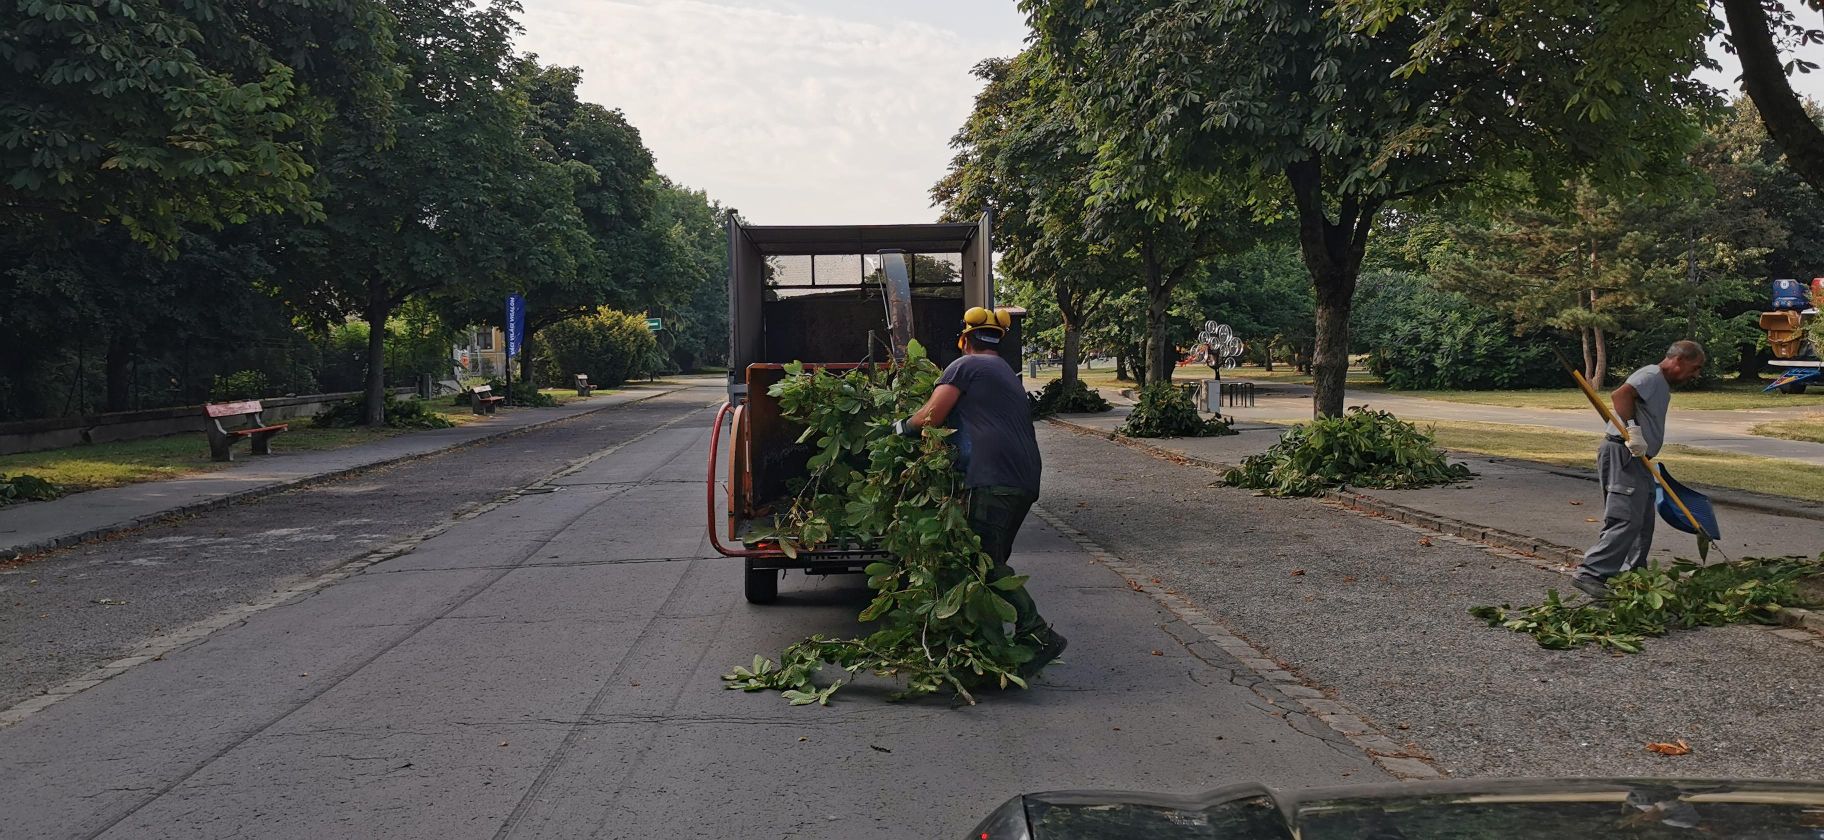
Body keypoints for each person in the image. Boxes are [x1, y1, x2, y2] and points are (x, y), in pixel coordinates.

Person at [894, 306, 1067, 674]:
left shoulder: (964, 366)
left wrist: (898, 429)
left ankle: (1037, 634)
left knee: (980, 565)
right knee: (992, 560)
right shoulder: (1004, 371)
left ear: (965, 339)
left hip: (991, 479)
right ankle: (991, 643)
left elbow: (930, 417)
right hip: (1023, 479)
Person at [1572, 340, 1707, 598]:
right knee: (1625, 517)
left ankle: (1632, 574)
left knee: (1643, 520)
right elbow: (1620, 394)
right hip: (1623, 453)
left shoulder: (1661, 384)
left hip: (1638, 456)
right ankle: (1590, 573)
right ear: (1678, 360)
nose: (1696, 374)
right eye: (1695, 367)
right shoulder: (1651, 375)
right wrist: (1633, 429)